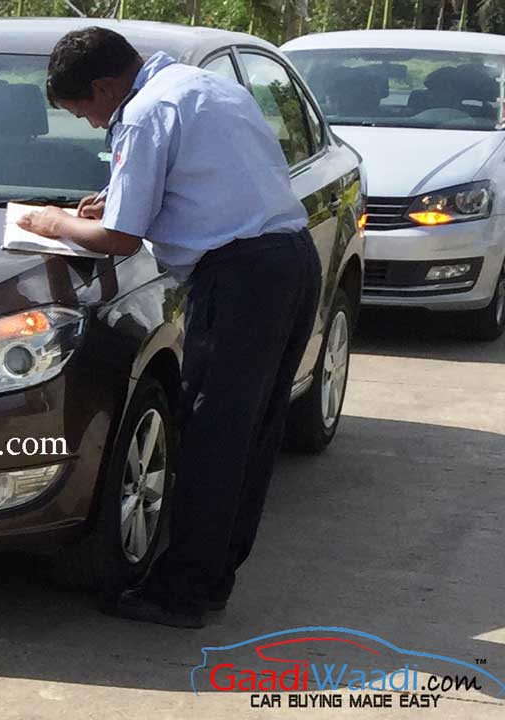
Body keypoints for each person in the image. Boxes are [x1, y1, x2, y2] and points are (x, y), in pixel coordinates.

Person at [18, 27, 321, 629]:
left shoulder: (143, 112)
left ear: (106, 85)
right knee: (248, 435)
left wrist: (53, 223)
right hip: (289, 261)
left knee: (210, 437)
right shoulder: (204, 85)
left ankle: (180, 592)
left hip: (239, 278)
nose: (92, 123)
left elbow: (119, 239)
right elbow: (206, 178)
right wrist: (114, 196)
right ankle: (210, 579)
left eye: (85, 110)